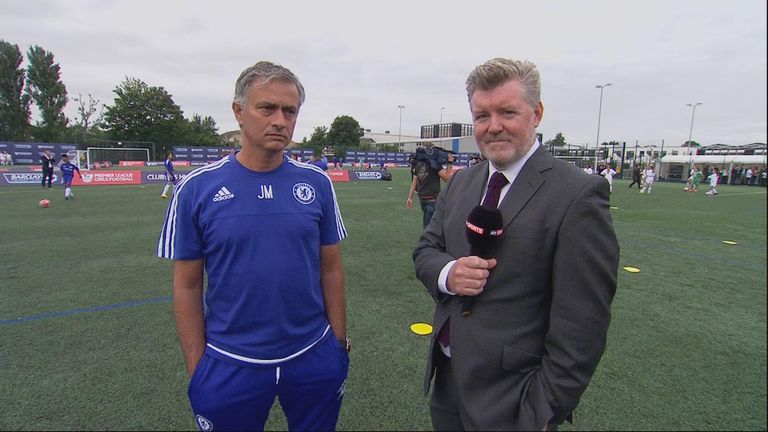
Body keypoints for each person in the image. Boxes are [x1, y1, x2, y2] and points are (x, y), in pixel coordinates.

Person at [413, 58, 619, 431]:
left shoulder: (577, 194)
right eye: (481, 116)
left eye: (507, 112)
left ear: (536, 113)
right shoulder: (461, 182)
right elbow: (425, 251)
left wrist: (542, 410)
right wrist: (450, 273)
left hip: (514, 400)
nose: (493, 127)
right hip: (448, 383)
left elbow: (583, 323)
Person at [157, 61, 349, 432]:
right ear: (239, 112)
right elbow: (187, 285)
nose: (281, 120)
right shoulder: (196, 189)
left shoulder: (317, 183)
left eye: (290, 111)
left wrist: (337, 345)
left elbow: (331, 267)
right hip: (229, 361)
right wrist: (199, 368)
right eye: (268, 108)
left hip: (313, 354)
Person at [406, 144, 453, 228]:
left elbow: (414, 183)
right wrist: (450, 163)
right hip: (432, 199)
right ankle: (427, 240)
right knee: (430, 225)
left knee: (428, 221)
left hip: (422, 198)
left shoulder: (418, 165)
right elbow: (447, 179)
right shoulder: (435, 166)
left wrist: (410, 198)